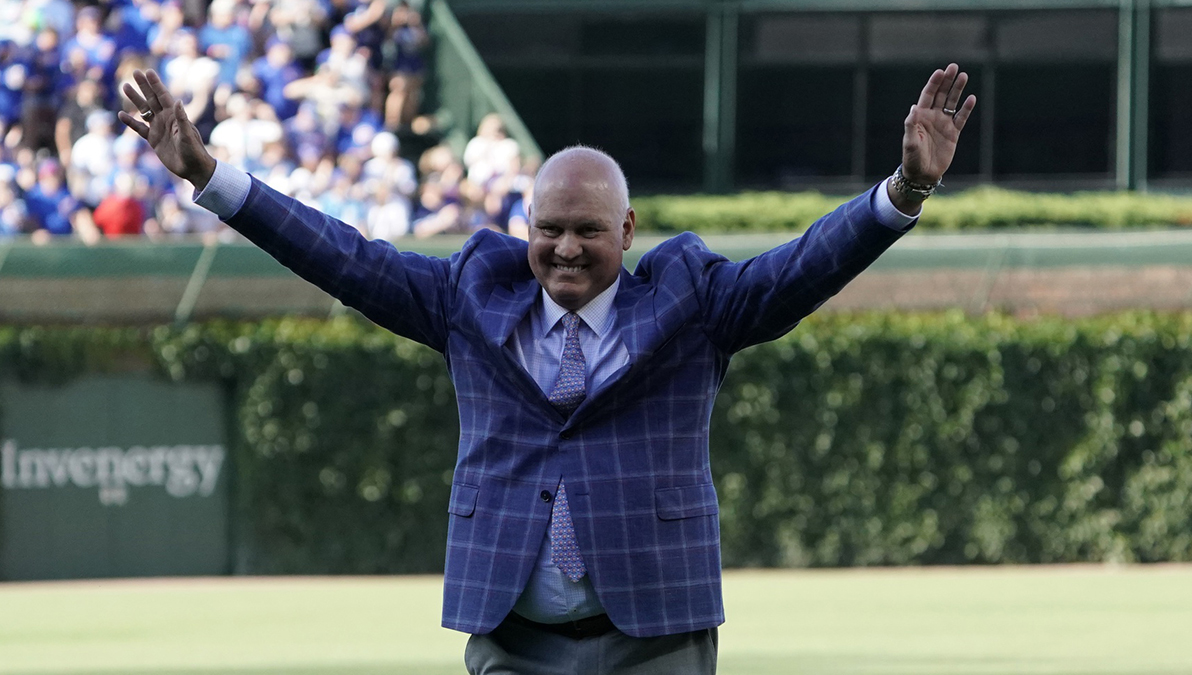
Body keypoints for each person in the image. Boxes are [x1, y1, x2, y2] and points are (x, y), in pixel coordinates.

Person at [120, 64, 976, 674]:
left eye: (589, 231)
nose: (566, 247)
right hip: (512, 637)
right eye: (550, 228)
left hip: (657, 636)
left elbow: (797, 269)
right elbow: (344, 257)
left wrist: (902, 189)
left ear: (629, 230)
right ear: (526, 226)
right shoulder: (470, 294)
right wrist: (210, 175)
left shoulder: (691, 300)